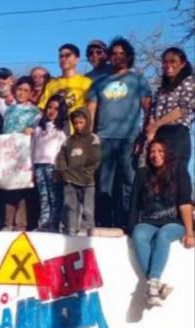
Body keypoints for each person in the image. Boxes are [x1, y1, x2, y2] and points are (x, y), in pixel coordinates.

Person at [86, 37, 152, 229]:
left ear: (129, 56)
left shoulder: (138, 80)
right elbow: (91, 110)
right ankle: (105, 224)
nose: (117, 57)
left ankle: (127, 224)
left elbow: (148, 109)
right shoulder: (99, 82)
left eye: (121, 53)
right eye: (114, 53)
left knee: (128, 182)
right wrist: (90, 137)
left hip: (129, 139)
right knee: (103, 184)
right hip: (104, 138)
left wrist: (145, 136)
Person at [129, 140, 194, 306]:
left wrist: (190, 232)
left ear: (167, 154)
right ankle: (156, 286)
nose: (155, 155)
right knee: (138, 233)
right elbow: (135, 204)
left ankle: (152, 283)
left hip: (175, 221)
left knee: (163, 234)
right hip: (150, 220)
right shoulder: (143, 173)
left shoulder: (178, 170)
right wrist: (130, 228)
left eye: (160, 151)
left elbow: (185, 203)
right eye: (152, 151)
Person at [1, 76, 41, 231]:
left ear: (31, 93)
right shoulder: (8, 109)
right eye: (19, 89)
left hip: (25, 155)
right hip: (8, 154)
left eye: (26, 90)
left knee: (23, 188)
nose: (21, 93)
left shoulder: (34, 112)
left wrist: (32, 130)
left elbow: (39, 131)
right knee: (9, 188)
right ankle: (7, 223)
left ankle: (21, 224)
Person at [145, 47, 194, 166]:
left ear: (182, 64)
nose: (168, 65)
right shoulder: (161, 89)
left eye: (173, 61)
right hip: (159, 135)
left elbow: (182, 110)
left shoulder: (189, 82)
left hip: (177, 133)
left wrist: (157, 124)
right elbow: (153, 111)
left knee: (176, 173)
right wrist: (150, 133)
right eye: (165, 62)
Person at [56, 108, 101, 236]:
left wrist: (87, 172)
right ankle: (70, 230)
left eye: (81, 122)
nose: (78, 126)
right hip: (70, 180)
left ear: (87, 122)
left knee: (88, 209)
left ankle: (88, 231)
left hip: (87, 181)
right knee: (70, 206)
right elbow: (61, 157)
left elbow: (95, 158)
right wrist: (62, 170)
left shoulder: (93, 139)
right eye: (75, 123)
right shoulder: (68, 140)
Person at [32, 95, 68, 231]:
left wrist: (59, 168)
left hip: (53, 166)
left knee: (54, 197)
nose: (52, 111)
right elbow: (33, 146)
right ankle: (45, 224)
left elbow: (62, 149)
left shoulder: (61, 129)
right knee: (43, 196)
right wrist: (32, 167)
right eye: (50, 108)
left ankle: (55, 224)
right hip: (38, 165)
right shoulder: (39, 127)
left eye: (56, 109)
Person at [39, 44, 93, 114]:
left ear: (77, 60)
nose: (63, 59)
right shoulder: (51, 84)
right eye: (61, 56)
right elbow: (42, 108)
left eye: (68, 55)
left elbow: (90, 110)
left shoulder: (86, 82)